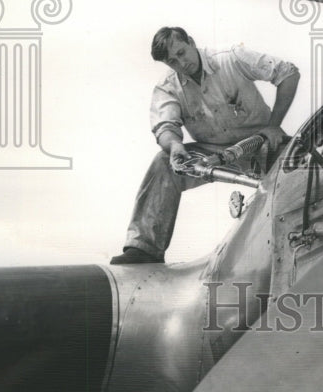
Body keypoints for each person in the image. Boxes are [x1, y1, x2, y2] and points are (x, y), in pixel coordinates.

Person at [110, 27, 300, 264]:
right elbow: (164, 126)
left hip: (262, 145)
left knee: (306, 166)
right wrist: (175, 146)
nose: (181, 63)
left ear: (191, 41)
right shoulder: (167, 87)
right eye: (173, 61)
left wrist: (273, 126)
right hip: (212, 153)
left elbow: (288, 73)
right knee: (163, 162)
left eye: (182, 52)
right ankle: (144, 249)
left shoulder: (231, 57)